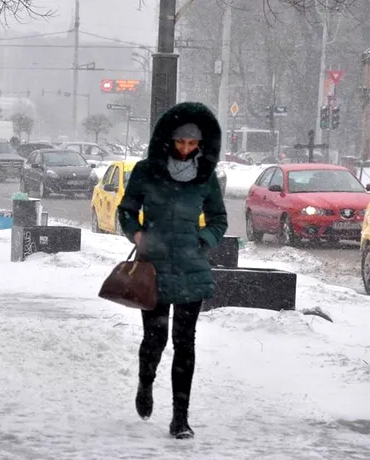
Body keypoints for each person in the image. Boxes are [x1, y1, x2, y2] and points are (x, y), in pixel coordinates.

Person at [117, 102, 228, 440]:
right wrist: (137, 233)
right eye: (180, 143)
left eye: (192, 144)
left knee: (185, 342)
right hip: (152, 268)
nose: (185, 149)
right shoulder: (145, 171)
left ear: (201, 145)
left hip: (190, 268)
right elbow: (126, 210)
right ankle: (145, 383)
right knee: (155, 338)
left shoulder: (205, 178)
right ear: (168, 140)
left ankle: (180, 418)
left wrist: (203, 239)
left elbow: (219, 219)